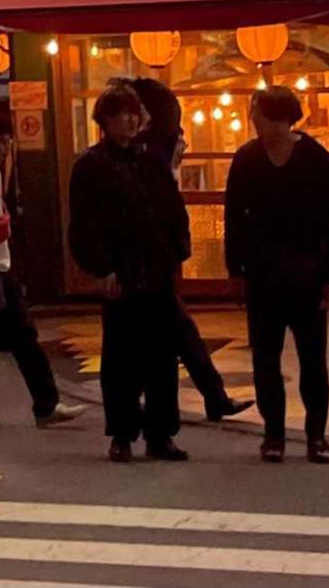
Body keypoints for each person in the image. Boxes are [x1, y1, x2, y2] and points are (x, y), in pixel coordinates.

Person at [67, 82, 192, 463]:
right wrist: (100, 269)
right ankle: (122, 433)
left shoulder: (148, 159)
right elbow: (84, 224)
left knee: (162, 357)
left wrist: (177, 251)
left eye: (134, 114)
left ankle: (161, 434)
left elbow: (170, 207)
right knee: (121, 358)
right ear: (105, 119)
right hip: (120, 273)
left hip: (156, 269)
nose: (131, 121)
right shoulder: (90, 165)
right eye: (123, 114)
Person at [225, 85, 329, 464]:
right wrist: (235, 269)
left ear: (278, 116)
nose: (253, 119)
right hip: (262, 275)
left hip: (308, 273)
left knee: (313, 360)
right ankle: (273, 434)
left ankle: (316, 435)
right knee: (265, 359)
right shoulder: (246, 158)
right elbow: (234, 217)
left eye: (258, 112)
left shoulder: (314, 157)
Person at [0, 112, 80, 431]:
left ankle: (45, 404)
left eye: (7, 141)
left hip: (0, 267)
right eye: (0, 142)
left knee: (20, 336)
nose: (5, 148)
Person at [131, 76, 247, 426]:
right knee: (166, 333)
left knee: (173, 332)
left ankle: (210, 399)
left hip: (155, 258)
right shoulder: (144, 152)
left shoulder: (148, 148)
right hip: (146, 260)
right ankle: (202, 401)